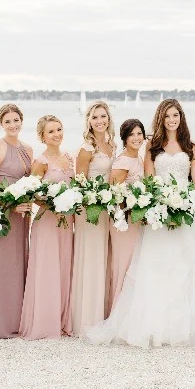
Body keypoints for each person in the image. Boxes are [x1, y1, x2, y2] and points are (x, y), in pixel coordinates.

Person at [85, 99, 195, 347]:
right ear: (161, 119)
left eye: (176, 115)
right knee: (158, 268)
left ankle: (189, 328)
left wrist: (183, 204)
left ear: (181, 117)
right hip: (159, 216)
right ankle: (155, 326)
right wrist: (161, 205)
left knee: (188, 268)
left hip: (185, 215)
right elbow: (150, 182)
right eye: (167, 116)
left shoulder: (192, 146)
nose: (172, 120)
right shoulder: (152, 144)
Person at [20, 115, 75, 339]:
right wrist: (53, 202)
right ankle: (44, 322)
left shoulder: (69, 158)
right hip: (48, 221)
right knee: (46, 268)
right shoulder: (41, 162)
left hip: (66, 222)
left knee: (63, 266)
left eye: (59, 129)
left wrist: (69, 200)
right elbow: (32, 193)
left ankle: (62, 319)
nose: (57, 134)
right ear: (42, 136)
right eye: (51, 131)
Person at [0, 103, 33, 341]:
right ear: (1, 124)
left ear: (22, 121)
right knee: (2, 266)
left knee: (19, 264)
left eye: (16, 120)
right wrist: (12, 201)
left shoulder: (28, 149)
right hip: (3, 216)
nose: (13, 125)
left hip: (23, 216)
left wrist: (29, 200)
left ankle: (17, 321)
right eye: (8, 121)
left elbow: (32, 182)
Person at [70, 101, 115, 333]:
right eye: (95, 117)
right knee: (92, 257)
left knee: (105, 258)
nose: (100, 121)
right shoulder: (86, 149)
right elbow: (79, 183)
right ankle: (87, 318)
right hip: (91, 210)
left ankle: (104, 313)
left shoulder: (112, 145)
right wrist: (95, 200)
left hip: (109, 209)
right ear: (89, 121)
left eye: (103, 116)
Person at [107, 118, 146, 310]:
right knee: (123, 266)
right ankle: (117, 312)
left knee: (133, 266)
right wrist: (131, 207)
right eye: (132, 134)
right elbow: (115, 195)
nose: (136, 138)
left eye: (139, 133)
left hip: (136, 221)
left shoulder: (138, 158)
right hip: (124, 222)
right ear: (124, 137)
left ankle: (130, 313)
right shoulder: (122, 161)